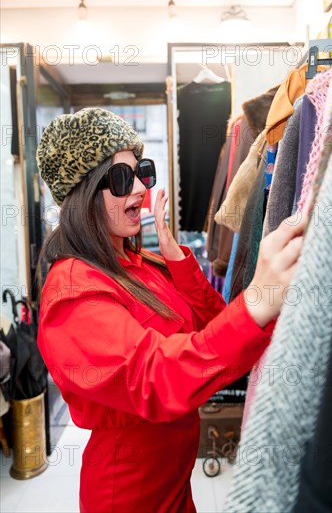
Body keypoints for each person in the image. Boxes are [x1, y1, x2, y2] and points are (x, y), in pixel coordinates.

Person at [36, 108, 305, 513]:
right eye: (121, 178)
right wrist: (255, 303)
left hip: (176, 478)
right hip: (130, 489)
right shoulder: (73, 287)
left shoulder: (136, 262)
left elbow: (211, 327)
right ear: (83, 193)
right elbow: (157, 376)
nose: (141, 189)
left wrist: (177, 260)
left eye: (141, 171)